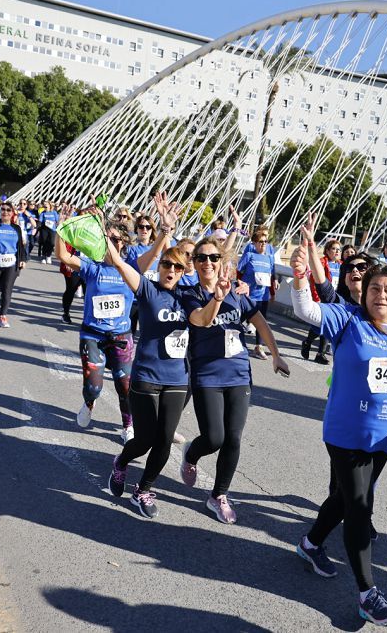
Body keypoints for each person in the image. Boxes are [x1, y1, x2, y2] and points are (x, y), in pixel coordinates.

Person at [289, 239, 387, 626]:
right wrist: (299, 278)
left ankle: (310, 544)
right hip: (346, 433)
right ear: (366, 293)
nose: (380, 294)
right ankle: (367, 594)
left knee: (345, 499)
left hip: (385, 436)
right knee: (359, 506)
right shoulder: (347, 320)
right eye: (374, 288)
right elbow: (306, 309)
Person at [179, 238, 289, 524]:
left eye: (213, 258)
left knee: (234, 438)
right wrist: (216, 297)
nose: (207, 263)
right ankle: (191, 453)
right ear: (195, 263)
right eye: (201, 258)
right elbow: (201, 320)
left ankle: (218, 495)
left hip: (239, 373)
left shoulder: (238, 292)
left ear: (221, 261)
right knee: (214, 438)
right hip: (207, 375)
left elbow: (260, 322)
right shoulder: (190, 293)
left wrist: (276, 355)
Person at [104, 198, 189, 518]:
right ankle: (122, 462)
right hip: (146, 378)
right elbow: (122, 264)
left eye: (177, 267)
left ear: (183, 272)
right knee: (144, 439)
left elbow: (214, 272)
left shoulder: (189, 295)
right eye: (166, 265)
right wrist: (107, 237)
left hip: (177, 379)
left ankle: (143, 490)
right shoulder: (147, 289)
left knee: (165, 441)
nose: (171, 270)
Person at [56, 215, 137, 443]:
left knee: (125, 386)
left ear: (124, 243)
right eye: (110, 239)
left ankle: (127, 425)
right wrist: (62, 231)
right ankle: (89, 402)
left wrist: (166, 232)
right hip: (93, 335)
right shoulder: (92, 268)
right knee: (93, 387)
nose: (115, 244)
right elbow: (62, 255)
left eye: (119, 240)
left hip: (121, 336)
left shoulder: (130, 269)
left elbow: (155, 256)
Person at [301, 238, 343, 365]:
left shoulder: (341, 265)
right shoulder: (322, 263)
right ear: (327, 250)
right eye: (334, 249)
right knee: (323, 324)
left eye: (338, 249)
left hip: (335, 300)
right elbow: (314, 281)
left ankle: (314, 348)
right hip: (322, 298)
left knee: (325, 325)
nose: (336, 251)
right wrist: (316, 298)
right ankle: (315, 349)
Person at [237, 229, 277, 359]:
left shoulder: (270, 258)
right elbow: (237, 271)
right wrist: (240, 285)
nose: (263, 244)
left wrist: (272, 293)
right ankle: (228, 339)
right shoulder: (249, 255)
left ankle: (258, 347)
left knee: (262, 321)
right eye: (260, 242)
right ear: (254, 243)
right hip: (248, 295)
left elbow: (271, 276)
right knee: (238, 320)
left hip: (262, 296)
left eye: (265, 242)